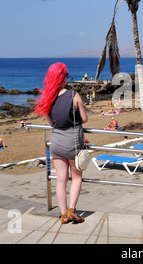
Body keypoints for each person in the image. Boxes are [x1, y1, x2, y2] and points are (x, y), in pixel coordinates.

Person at [34, 62, 89, 224]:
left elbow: (52, 124)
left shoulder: (47, 98)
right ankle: (72, 210)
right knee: (77, 177)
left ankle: (63, 214)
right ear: (63, 78)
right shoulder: (74, 95)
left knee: (60, 180)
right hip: (73, 142)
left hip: (56, 142)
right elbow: (84, 119)